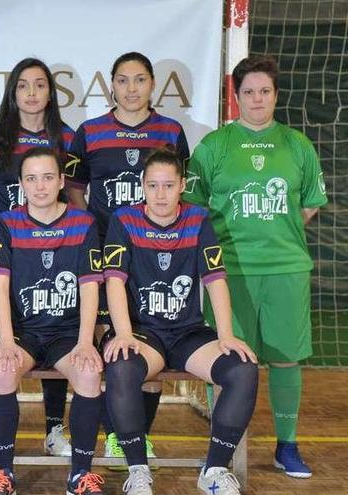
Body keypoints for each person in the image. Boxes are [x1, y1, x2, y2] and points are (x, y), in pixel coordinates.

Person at [183, 54, 328, 479]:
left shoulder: (298, 144)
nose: (258, 99)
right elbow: (193, 208)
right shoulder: (215, 145)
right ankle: (221, 450)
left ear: (276, 95)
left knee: (285, 359)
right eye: (249, 92)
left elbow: (308, 208)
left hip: (286, 268)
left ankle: (287, 446)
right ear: (236, 97)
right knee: (227, 358)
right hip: (229, 272)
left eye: (265, 91)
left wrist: (273, 232)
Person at [102, 146, 259, 495]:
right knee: (122, 365)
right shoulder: (123, 220)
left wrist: (226, 335)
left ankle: (214, 470)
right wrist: (124, 333)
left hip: (188, 334)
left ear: (182, 185)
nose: (161, 194)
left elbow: (215, 278)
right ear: (142, 185)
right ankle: (138, 470)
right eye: (154, 186)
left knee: (242, 368)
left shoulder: (198, 219)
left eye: (169, 186)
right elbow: (114, 280)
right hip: (145, 334)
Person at [66, 52, 190, 462]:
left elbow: (180, 192)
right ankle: (113, 431)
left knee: (147, 342)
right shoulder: (90, 131)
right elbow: (77, 191)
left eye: (139, 80)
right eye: (123, 80)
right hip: (104, 255)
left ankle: (136, 434)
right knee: (109, 344)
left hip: (156, 258)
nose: (131, 89)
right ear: (112, 86)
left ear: (153, 84)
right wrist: (95, 236)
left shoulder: (171, 131)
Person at [0, 57, 77, 457]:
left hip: (56, 254)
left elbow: (75, 199)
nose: (32, 94)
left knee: (56, 332)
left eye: (40, 85)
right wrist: (12, 236)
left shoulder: (66, 137)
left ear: (51, 92)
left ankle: (54, 429)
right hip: (4, 250)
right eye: (23, 86)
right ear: (12, 93)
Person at [0, 147, 105, 495]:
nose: (40, 186)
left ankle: (80, 475)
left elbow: (90, 288)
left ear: (62, 181)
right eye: (31, 179)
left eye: (48, 177)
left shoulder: (83, 223)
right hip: (22, 332)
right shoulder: (5, 223)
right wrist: (5, 341)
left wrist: (85, 342)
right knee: (3, 369)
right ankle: (4, 472)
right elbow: (0, 289)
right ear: (21, 184)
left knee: (89, 371)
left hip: (68, 333)